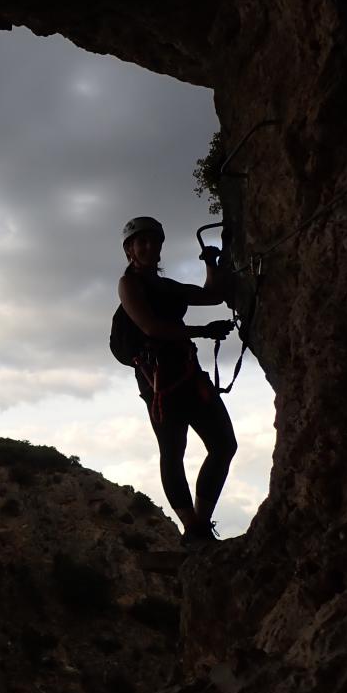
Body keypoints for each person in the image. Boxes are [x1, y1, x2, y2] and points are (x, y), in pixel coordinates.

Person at [116, 216, 237, 548]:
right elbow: (151, 327)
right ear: (130, 250)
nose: (150, 246)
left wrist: (212, 262)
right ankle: (192, 528)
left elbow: (212, 295)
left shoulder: (168, 287)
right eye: (142, 242)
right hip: (158, 381)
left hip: (186, 373)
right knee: (173, 450)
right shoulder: (129, 285)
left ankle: (200, 522)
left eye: (154, 241)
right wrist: (203, 331)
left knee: (224, 444)